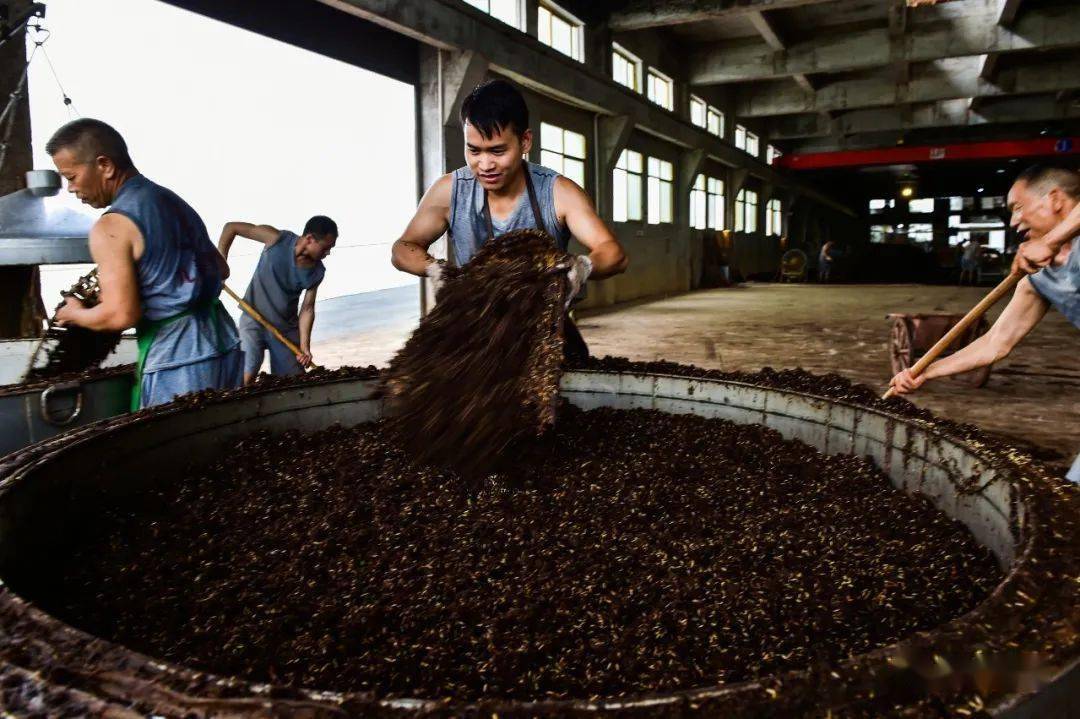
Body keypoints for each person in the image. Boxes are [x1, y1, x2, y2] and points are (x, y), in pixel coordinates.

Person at [390, 79, 628, 361]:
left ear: (525, 141)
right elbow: (403, 248)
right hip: (477, 328)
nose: (485, 164)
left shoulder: (558, 193)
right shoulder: (449, 191)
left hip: (546, 332)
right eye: (474, 151)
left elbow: (614, 254)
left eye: (498, 151)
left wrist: (581, 267)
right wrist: (438, 271)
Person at [889, 164, 1080, 483]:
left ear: (1056, 199)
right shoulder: (1037, 279)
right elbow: (996, 343)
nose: (1014, 221)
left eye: (1018, 208)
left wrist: (1052, 240)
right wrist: (925, 371)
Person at [47, 118, 242, 409]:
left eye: (71, 176)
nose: (71, 188)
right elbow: (221, 270)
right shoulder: (171, 200)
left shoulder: (111, 226)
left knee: (177, 450)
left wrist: (74, 314)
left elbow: (120, 314)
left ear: (105, 166)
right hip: (224, 342)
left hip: (178, 360)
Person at [218, 216, 336, 384]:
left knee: (294, 382)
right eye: (325, 248)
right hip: (253, 319)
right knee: (247, 375)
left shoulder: (317, 272)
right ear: (310, 239)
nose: (328, 253)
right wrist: (220, 265)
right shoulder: (276, 239)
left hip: (285, 329)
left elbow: (307, 309)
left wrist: (304, 347)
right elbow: (231, 228)